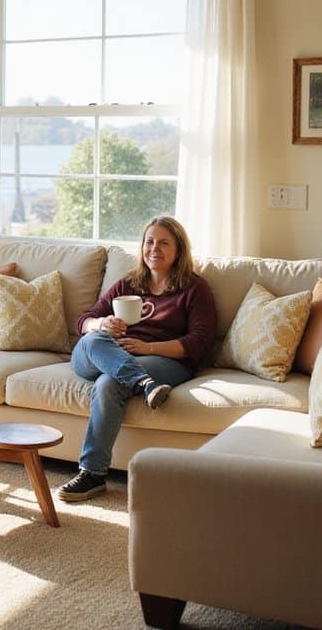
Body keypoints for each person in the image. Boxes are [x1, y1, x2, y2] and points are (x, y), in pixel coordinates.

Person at [55, 215, 218, 502]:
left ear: (179, 249)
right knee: (92, 338)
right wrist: (102, 324)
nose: (155, 248)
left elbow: (199, 343)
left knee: (108, 384)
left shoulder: (194, 289)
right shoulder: (128, 284)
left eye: (164, 243)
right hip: (102, 354)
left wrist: (148, 348)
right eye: (149, 241)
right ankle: (143, 383)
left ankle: (92, 474)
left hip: (164, 360)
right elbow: (84, 321)